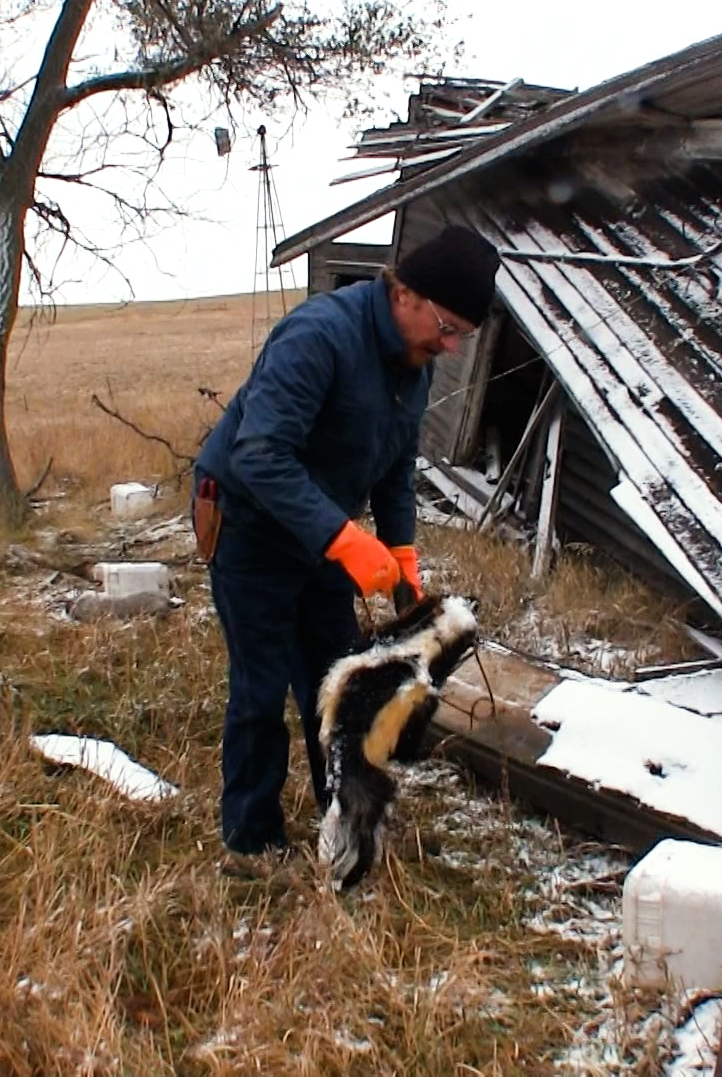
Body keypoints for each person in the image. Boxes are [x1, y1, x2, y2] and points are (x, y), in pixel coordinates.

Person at [193, 224, 501, 861]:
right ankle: (252, 844)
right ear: (405, 292)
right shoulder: (319, 337)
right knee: (261, 686)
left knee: (336, 683)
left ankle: (342, 822)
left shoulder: (413, 367)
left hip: (320, 532)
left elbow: (394, 466)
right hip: (249, 522)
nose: (446, 345)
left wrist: (402, 553)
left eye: (460, 338)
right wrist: (344, 540)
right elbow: (258, 454)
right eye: (445, 327)